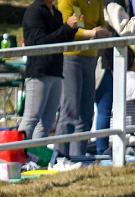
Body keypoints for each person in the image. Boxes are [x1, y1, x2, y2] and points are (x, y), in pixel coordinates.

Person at [94, 0, 135, 155]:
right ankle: (102, 150)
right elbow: (125, 30)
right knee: (105, 108)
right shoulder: (112, 4)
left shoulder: (122, 2)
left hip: (116, 59)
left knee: (107, 108)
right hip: (106, 60)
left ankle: (107, 149)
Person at [55, 0, 111, 163]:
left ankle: (78, 158)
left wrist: (100, 32)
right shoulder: (67, 1)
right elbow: (68, 30)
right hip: (70, 57)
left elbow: (102, 26)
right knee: (69, 110)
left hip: (91, 56)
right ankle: (59, 158)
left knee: (86, 113)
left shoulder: (97, 2)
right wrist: (92, 33)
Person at [19, 0, 78, 145]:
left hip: (55, 70)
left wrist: (72, 29)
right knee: (32, 117)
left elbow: (61, 39)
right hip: (39, 72)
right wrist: (66, 28)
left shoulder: (56, 13)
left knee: (48, 120)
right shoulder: (34, 11)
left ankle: (38, 158)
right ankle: (16, 155)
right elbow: (40, 43)